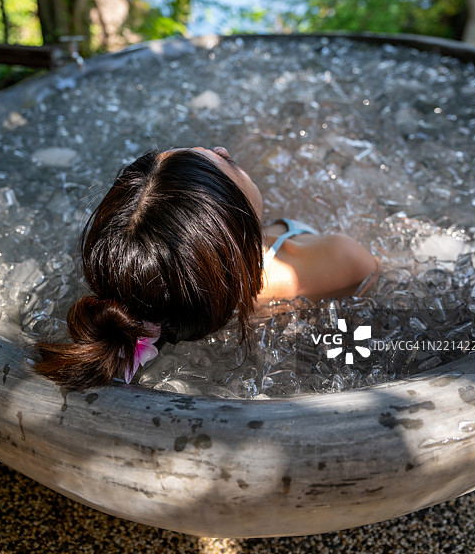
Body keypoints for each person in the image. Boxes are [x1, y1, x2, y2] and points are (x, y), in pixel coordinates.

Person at [35, 146, 378, 390]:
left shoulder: (134, 280)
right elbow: (383, 285)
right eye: (222, 164)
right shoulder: (333, 260)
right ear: (227, 223)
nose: (222, 148)